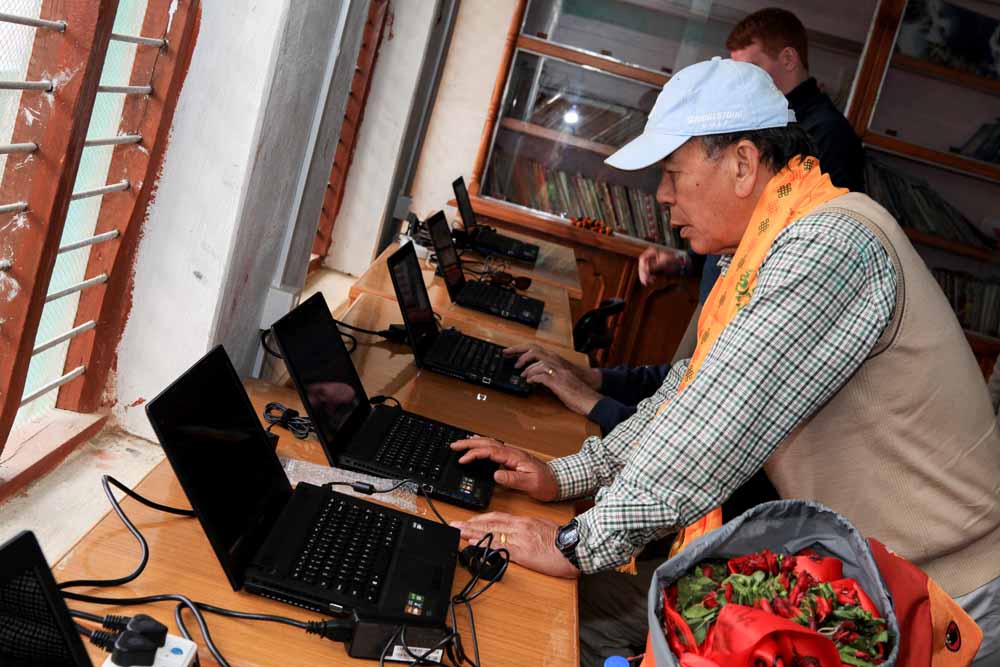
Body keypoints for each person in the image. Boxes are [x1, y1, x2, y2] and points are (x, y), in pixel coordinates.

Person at [450, 57, 1000, 666]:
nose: (661, 196)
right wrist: (565, 476)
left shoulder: (832, 244)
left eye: (673, 173)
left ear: (741, 164)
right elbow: (691, 396)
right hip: (862, 572)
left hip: (942, 596)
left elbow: (710, 433)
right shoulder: (770, 247)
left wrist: (577, 543)